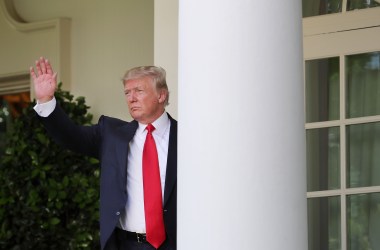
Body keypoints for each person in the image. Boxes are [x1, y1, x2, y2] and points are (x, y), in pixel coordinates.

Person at [30, 57, 177, 250]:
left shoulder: (188, 138)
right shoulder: (111, 133)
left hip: (177, 243)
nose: (131, 98)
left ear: (161, 95)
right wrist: (46, 101)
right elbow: (71, 136)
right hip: (126, 244)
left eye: (139, 91)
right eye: (127, 92)